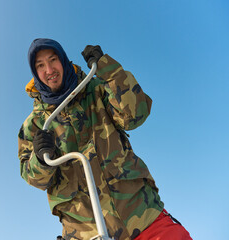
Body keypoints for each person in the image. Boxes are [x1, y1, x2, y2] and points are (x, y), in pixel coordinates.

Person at [18, 38, 192, 240]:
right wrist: (39, 160)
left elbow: (136, 114)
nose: (49, 69)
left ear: (63, 60)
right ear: (35, 73)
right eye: (40, 65)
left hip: (141, 217)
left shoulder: (97, 89)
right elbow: (33, 178)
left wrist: (107, 68)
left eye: (53, 59)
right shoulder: (35, 125)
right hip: (87, 232)